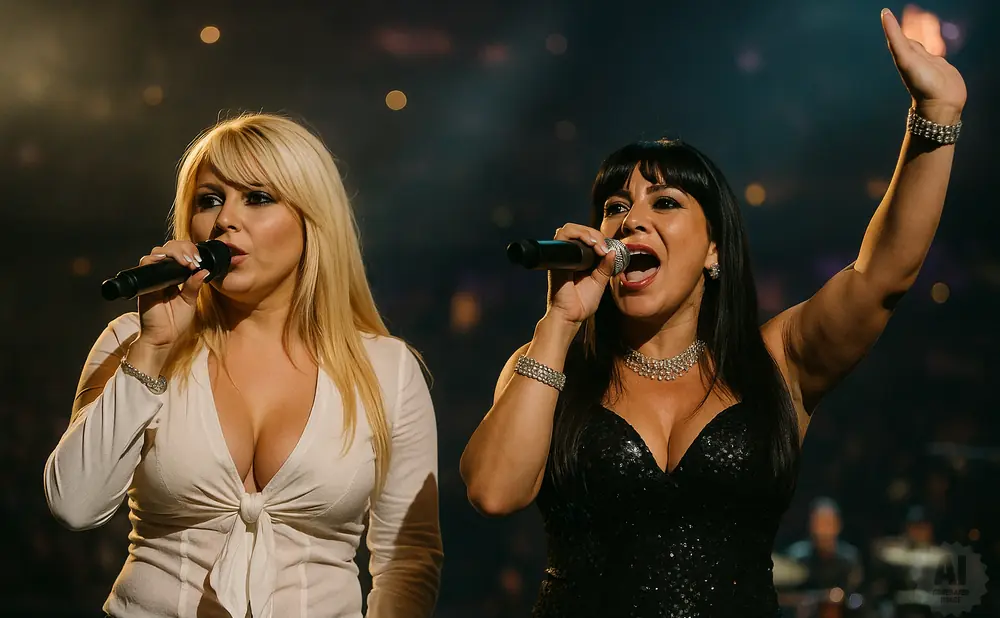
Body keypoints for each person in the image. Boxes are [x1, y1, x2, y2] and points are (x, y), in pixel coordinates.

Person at [460, 10, 965, 617]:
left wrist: (935, 117)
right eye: (616, 205)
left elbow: (882, 276)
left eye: (665, 201)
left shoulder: (777, 361)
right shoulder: (550, 366)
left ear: (714, 249)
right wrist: (561, 323)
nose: (631, 218)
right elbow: (492, 491)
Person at [43, 113, 443, 618]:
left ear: (311, 218)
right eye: (210, 200)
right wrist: (154, 349)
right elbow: (74, 505)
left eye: (257, 197)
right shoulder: (132, 340)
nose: (225, 219)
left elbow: (408, 557)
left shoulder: (387, 368)